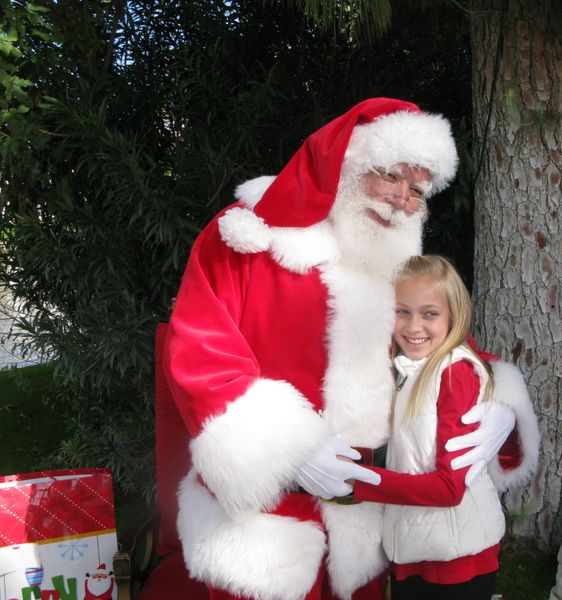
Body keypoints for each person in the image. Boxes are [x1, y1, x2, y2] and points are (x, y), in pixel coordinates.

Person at [163, 98, 540, 600]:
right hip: (264, 520)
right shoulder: (247, 238)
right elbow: (200, 357)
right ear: (345, 164)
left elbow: (445, 341)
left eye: (417, 189)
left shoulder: (399, 264)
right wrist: (290, 449)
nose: (402, 200)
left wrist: (499, 405)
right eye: (390, 176)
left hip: (366, 518)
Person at [354, 255, 520, 600]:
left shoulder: (452, 373)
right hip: (417, 549)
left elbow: (449, 489)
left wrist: (358, 483)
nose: (414, 327)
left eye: (430, 313)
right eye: (402, 311)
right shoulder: (409, 367)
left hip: (456, 560)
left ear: (453, 316)